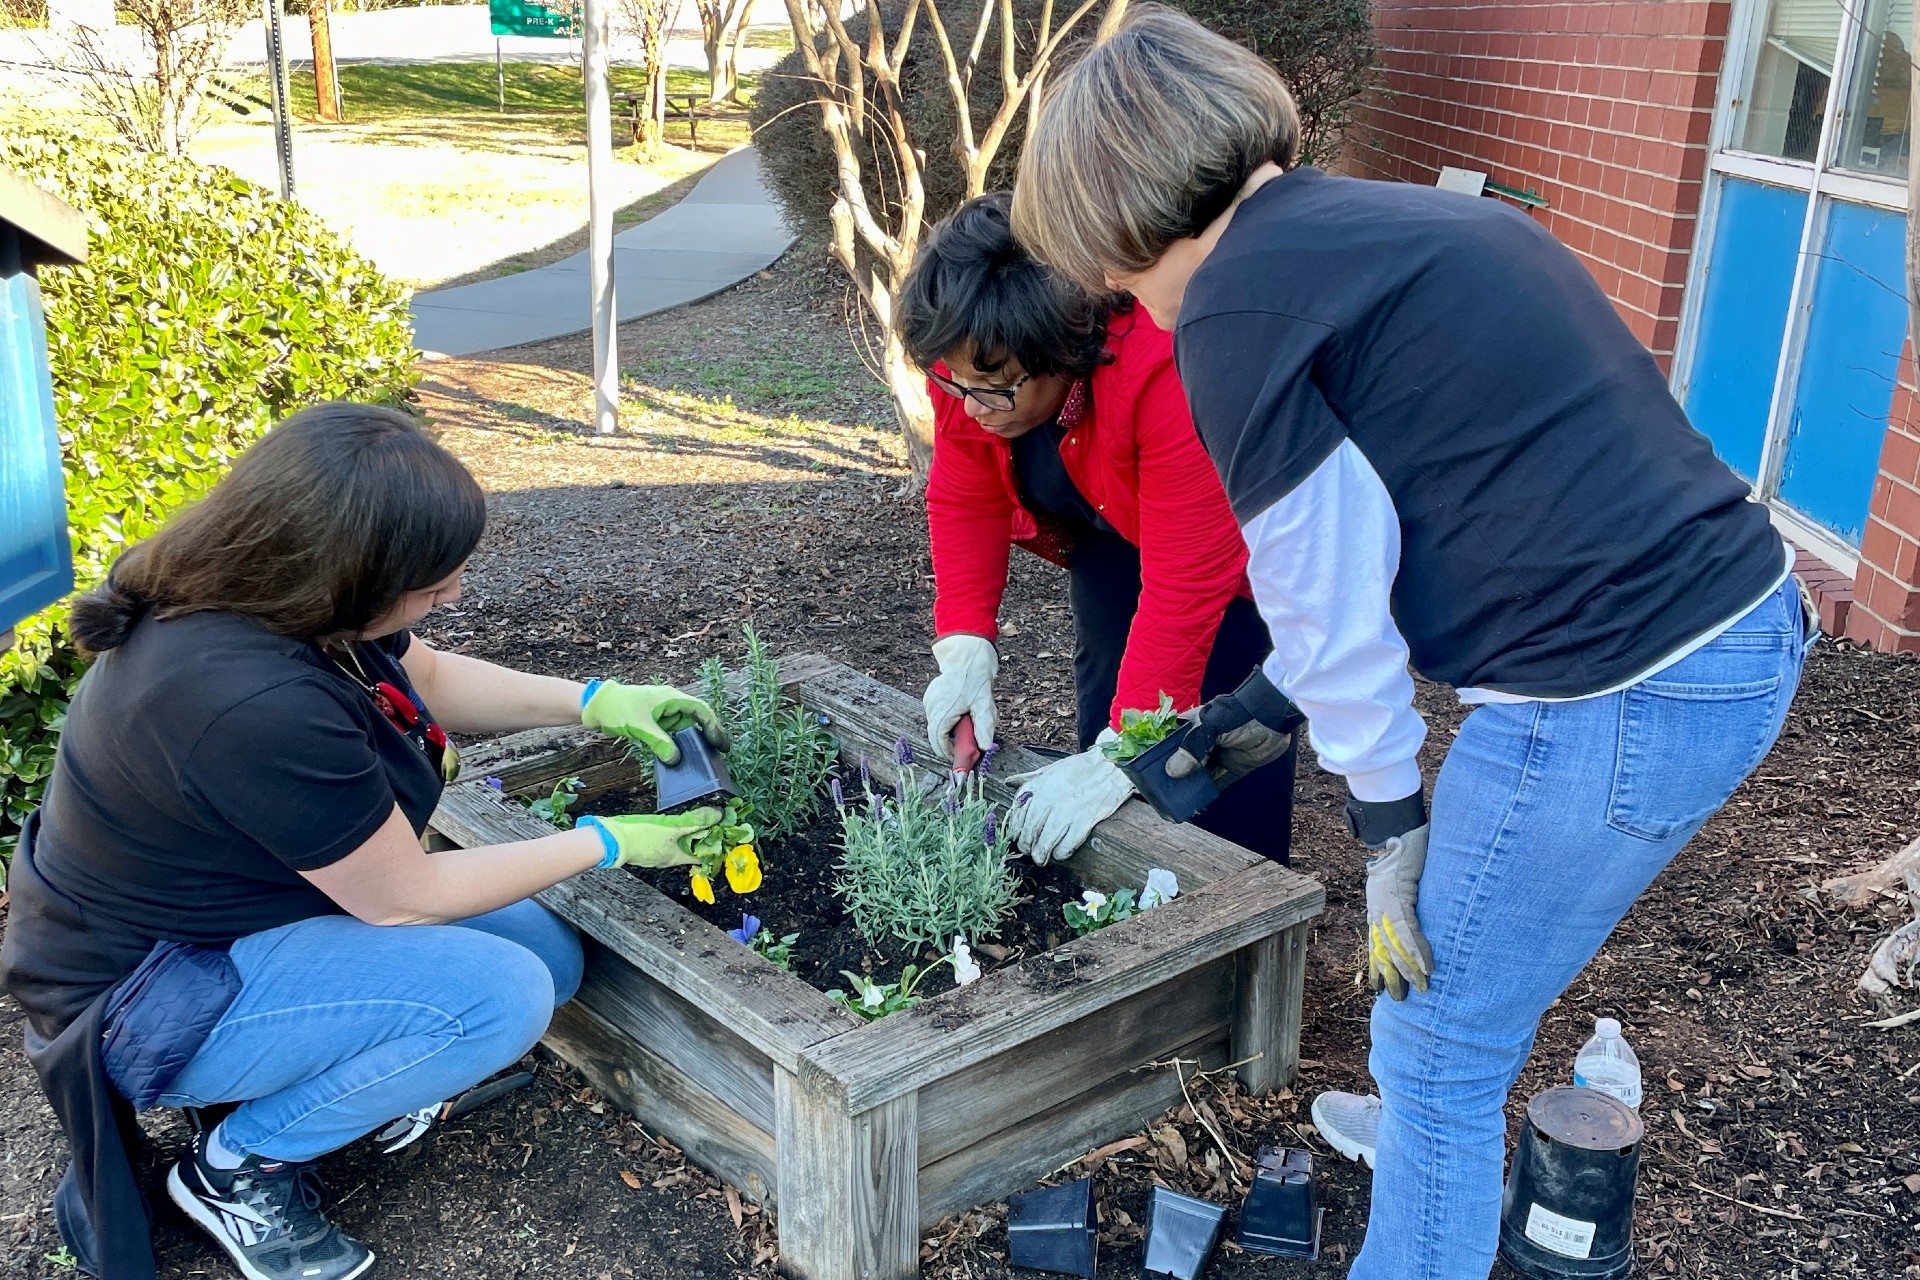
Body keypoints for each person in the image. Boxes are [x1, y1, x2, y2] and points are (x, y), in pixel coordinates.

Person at [1009, 9, 1813, 1279]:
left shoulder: (1231, 308)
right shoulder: (1417, 225)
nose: (1114, 293)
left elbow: (1327, 609)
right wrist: (1205, 737)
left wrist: (1389, 826)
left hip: (1618, 694)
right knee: (1452, 1024)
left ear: (1122, 211)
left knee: (1435, 1044)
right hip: (1733, 626)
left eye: (1104, 265)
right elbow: (1388, 556)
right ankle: (1432, 1138)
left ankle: (1430, 1149)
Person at [0, 405, 734, 1280]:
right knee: (499, 996)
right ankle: (238, 1168)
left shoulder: (279, 600)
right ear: (344, 572)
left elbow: (418, 673)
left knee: (547, 952)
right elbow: (403, 896)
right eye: (433, 583)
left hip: (231, 916)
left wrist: (595, 699)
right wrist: (608, 842)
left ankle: (320, 1084)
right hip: (147, 994)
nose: (453, 595)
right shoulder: (244, 701)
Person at [899, 191, 1299, 866]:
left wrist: (1131, 746)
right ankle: (1125, 875)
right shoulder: (968, 353)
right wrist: (965, 650)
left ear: (1059, 351)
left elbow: (1190, 577)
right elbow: (965, 495)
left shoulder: (1165, 363)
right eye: (954, 386)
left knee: (1219, 726)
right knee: (1110, 702)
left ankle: (1240, 895)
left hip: (1232, 549)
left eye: (994, 390)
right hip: (1109, 525)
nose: (972, 410)